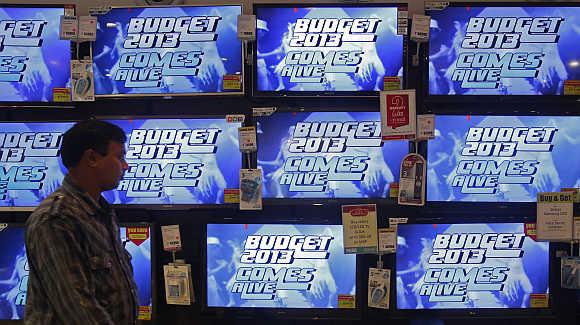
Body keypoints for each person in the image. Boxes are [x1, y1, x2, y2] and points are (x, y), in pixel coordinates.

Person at [24, 120, 138, 325]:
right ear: (92, 158)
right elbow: (79, 310)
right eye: (120, 157)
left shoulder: (101, 212)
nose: (125, 166)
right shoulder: (56, 219)